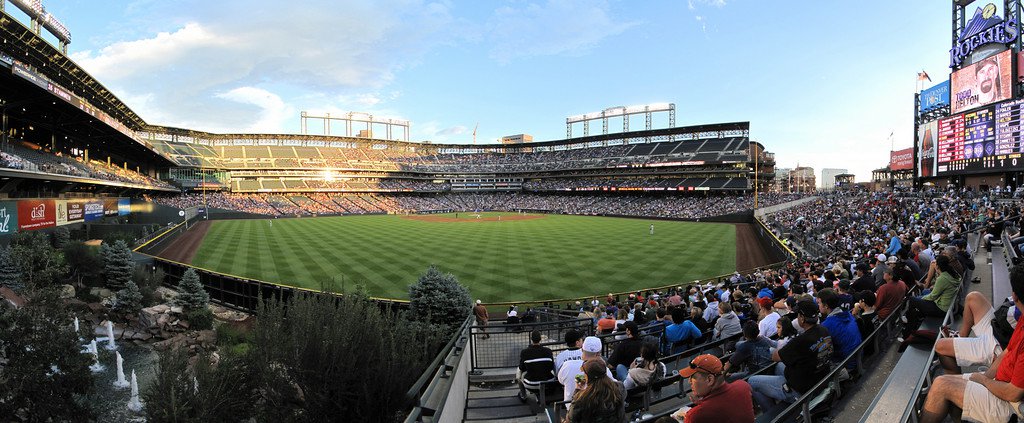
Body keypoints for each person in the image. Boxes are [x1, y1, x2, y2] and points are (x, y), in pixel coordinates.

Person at [919, 265, 1024, 423]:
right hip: (1000, 383)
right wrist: (985, 377)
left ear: (1014, 296)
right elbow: (1007, 351)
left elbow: (1013, 393)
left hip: (1011, 405)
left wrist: (984, 381)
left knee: (941, 384)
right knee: (950, 382)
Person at [748, 299, 833, 413]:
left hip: (801, 390)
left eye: (798, 315)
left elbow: (775, 356)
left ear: (802, 318)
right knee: (779, 367)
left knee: (751, 381)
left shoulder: (800, 340)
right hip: (818, 378)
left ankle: (773, 414)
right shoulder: (823, 329)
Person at [934, 291, 1018, 374]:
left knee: (941, 346)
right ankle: (960, 336)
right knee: (973, 297)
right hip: (998, 329)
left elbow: (1004, 314)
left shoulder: (1019, 312)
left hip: (998, 346)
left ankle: (954, 381)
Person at [673, 354, 755, 423]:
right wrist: (702, 403)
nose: (689, 381)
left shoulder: (695, 415)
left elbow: (713, 409)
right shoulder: (743, 385)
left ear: (710, 379)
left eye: (693, 377)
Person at [902, 254, 960, 342]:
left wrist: (922, 298)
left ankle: (907, 331)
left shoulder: (943, 278)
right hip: (946, 304)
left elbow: (933, 296)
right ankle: (910, 328)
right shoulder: (953, 273)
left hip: (941, 308)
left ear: (938, 266)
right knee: (916, 306)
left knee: (912, 300)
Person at [565, 359, 626, 423]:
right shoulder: (619, 387)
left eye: (584, 373)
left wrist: (577, 391)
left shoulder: (581, 398)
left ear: (588, 377)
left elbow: (570, 419)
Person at [558, 336, 614, 406]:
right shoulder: (604, 369)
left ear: (582, 349)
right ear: (598, 354)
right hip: (597, 410)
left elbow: (561, 380)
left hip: (573, 409)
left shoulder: (567, 365)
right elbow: (616, 386)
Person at [817, 288, 862, 368]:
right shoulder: (848, 313)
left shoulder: (826, 325)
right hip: (859, 356)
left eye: (819, 303)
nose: (818, 306)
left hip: (848, 363)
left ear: (826, 305)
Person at [518, 330, 555, 400]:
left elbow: (521, 368)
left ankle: (523, 395)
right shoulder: (548, 351)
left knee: (518, 371)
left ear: (531, 339)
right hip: (548, 382)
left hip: (531, 384)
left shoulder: (525, 352)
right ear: (540, 339)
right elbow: (551, 367)